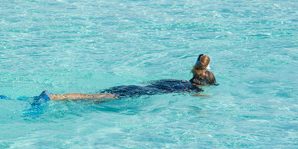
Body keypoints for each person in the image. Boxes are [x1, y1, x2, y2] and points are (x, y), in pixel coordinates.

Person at [27, 54, 217, 104]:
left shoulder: (179, 81)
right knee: (94, 98)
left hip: (134, 87)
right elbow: (200, 101)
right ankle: (53, 97)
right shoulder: (193, 90)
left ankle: (54, 99)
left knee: (93, 98)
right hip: (139, 93)